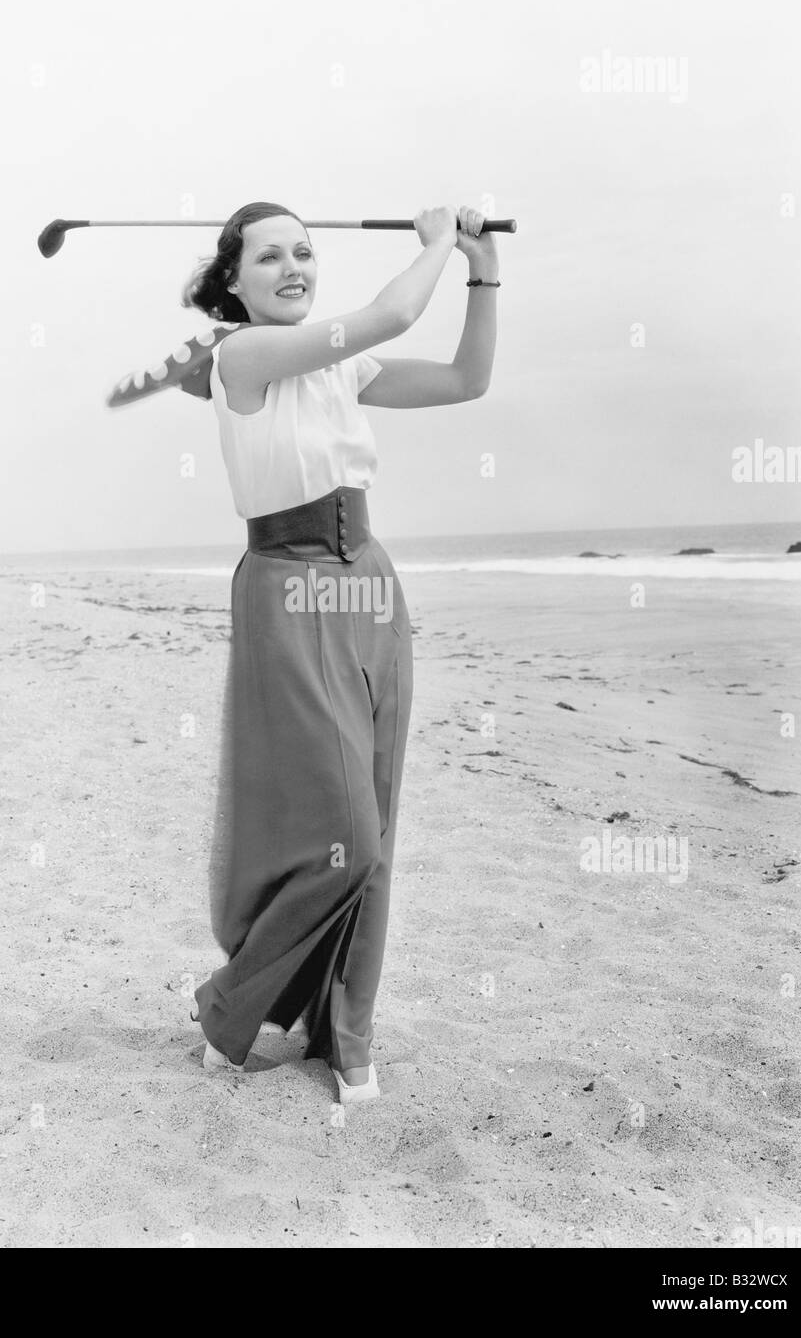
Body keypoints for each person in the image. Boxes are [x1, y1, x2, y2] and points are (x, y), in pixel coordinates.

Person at [182, 199, 499, 1105]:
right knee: (346, 836)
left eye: (305, 252)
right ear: (233, 281)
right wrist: (435, 240)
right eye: (269, 256)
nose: (293, 267)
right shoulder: (243, 355)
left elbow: (466, 380)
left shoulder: (337, 365)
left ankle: (344, 1029)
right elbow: (393, 311)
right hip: (287, 585)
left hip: (367, 581)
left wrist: (481, 270)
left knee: (377, 822)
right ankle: (232, 1005)